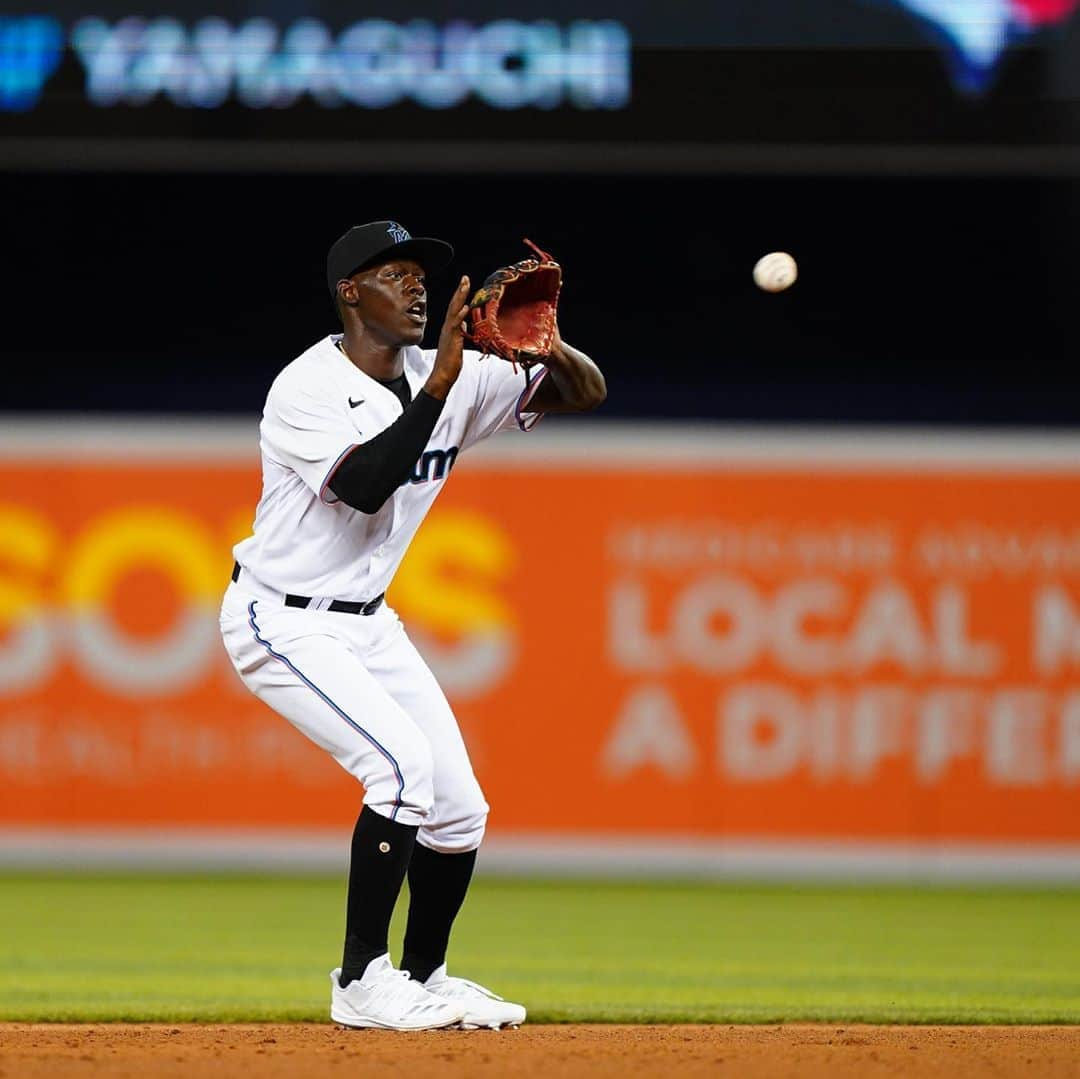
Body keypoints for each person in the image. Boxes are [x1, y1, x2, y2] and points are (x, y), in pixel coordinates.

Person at [219, 220, 606, 1031]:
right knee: (399, 770)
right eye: (394, 275)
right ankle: (360, 979)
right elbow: (362, 485)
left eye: (424, 275)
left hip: (369, 622)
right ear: (349, 292)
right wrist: (441, 391)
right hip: (281, 618)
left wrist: (547, 349)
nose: (419, 288)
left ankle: (425, 976)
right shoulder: (308, 386)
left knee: (460, 808)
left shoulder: (451, 373)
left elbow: (586, 393)